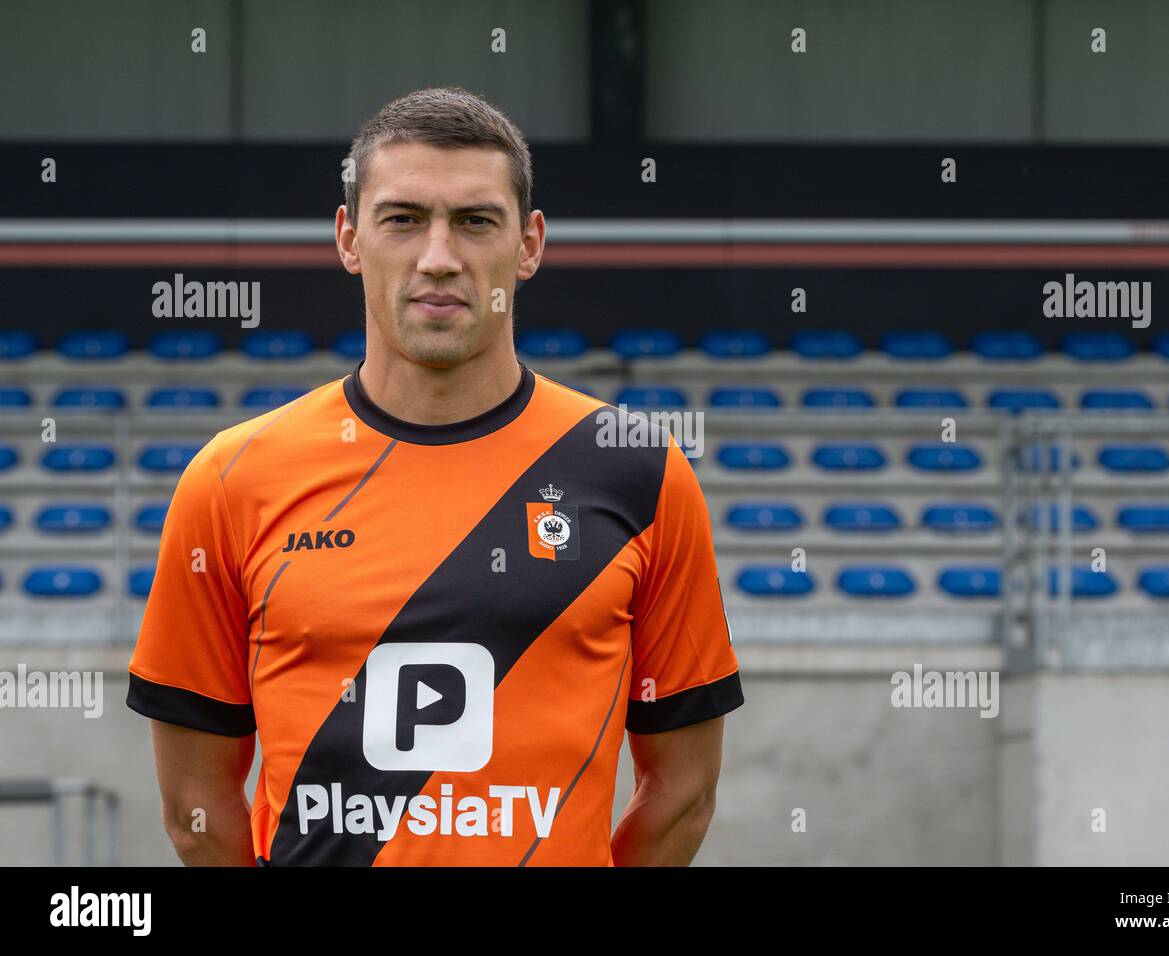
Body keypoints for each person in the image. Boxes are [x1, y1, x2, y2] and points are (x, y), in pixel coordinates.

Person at [126, 86, 743, 866]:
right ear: (350, 238)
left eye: (476, 220)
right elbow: (194, 808)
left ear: (529, 243)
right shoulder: (232, 479)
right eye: (403, 218)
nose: (439, 258)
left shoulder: (638, 471)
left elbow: (683, 794)